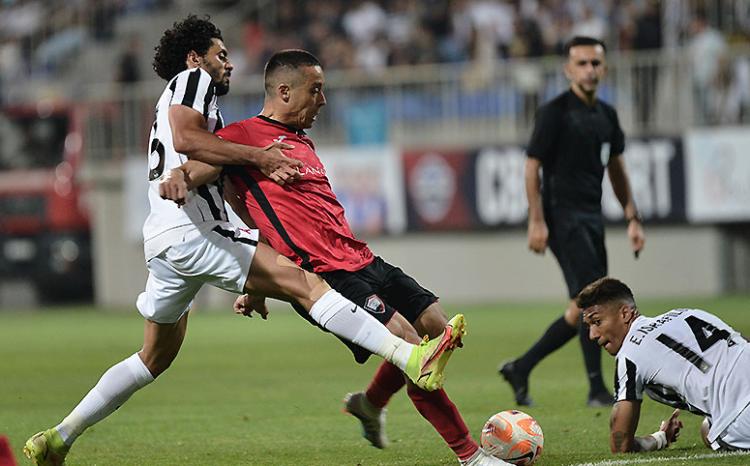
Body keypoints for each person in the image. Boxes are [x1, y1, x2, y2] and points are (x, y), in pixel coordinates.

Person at [22, 17, 463, 466]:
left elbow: (208, 163)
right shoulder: (192, 80)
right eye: (221, 54)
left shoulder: (192, 110)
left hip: (164, 242)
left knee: (153, 357)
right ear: (195, 58)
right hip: (196, 230)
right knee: (306, 283)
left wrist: (200, 181)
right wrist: (256, 158)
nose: (228, 64)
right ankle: (408, 357)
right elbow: (188, 140)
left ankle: (59, 436)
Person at [165, 49, 510, 466]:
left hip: (361, 257)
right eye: (316, 90)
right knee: (410, 348)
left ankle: (370, 403)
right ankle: (472, 457)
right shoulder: (241, 137)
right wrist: (177, 175)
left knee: (437, 326)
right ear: (285, 92)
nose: (323, 100)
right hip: (325, 277)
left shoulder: (301, 142)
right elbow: (200, 168)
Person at [499, 36, 646, 408]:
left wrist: (632, 216)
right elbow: (532, 166)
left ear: (604, 68)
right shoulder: (554, 112)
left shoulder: (607, 116)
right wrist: (536, 221)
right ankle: (596, 388)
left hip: (591, 216)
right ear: (568, 69)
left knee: (579, 305)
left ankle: (521, 367)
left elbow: (616, 167)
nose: (589, 70)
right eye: (581, 63)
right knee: (595, 299)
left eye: (595, 63)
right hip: (561, 217)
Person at [578, 277, 750, 453]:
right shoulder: (686, 313)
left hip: (740, 416)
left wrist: (659, 438)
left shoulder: (629, 354)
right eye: (589, 326)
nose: (592, 335)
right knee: (708, 426)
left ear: (625, 314)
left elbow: (620, 443)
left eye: (597, 322)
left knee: (714, 430)